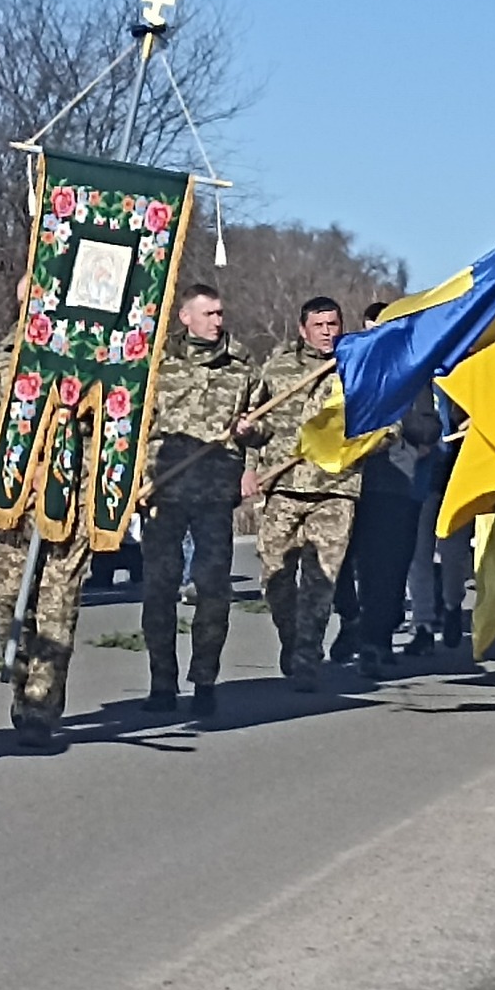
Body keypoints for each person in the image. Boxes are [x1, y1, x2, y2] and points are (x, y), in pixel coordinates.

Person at [0, 297, 99, 748]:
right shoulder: (4, 361)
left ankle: (41, 705)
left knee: (57, 604)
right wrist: (21, 461)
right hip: (14, 501)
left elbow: (118, 427)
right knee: (7, 605)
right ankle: (23, 682)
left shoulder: (91, 365)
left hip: (71, 503)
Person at [138, 283, 261, 716]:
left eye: (221, 314)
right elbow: (133, 425)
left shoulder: (240, 367)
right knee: (159, 590)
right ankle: (161, 682)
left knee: (213, 590)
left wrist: (250, 437)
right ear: (185, 317)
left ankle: (205, 677)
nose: (217, 321)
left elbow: (264, 424)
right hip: (163, 493)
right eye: (208, 314)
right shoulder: (157, 365)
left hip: (213, 495)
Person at [252, 297, 360, 692]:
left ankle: (307, 656)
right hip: (284, 485)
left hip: (335, 488)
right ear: (303, 329)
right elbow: (255, 420)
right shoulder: (278, 369)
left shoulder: (355, 367)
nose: (328, 331)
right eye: (319, 325)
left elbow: (386, 425)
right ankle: (293, 638)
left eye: (333, 323)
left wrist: (369, 441)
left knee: (321, 580)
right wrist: (250, 465)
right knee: (275, 573)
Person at [351, 387, 442, 679]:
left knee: (390, 566)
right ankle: (352, 618)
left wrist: (398, 423)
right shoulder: (350, 363)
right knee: (342, 564)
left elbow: (429, 427)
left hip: (395, 483)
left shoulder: (413, 374)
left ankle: (375, 641)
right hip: (345, 481)